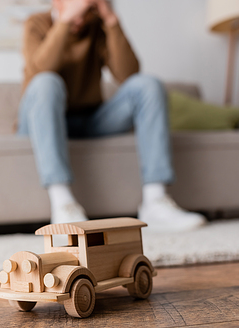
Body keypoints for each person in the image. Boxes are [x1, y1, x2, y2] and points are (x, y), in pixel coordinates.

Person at [18, 0, 206, 231]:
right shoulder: (36, 23)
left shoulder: (97, 26)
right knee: (46, 82)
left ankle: (155, 201)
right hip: (41, 120)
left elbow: (128, 74)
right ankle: (63, 204)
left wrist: (111, 20)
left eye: (85, 10)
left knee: (147, 85)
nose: (80, 17)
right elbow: (40, 69)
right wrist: (65, 21)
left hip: (90, 120)